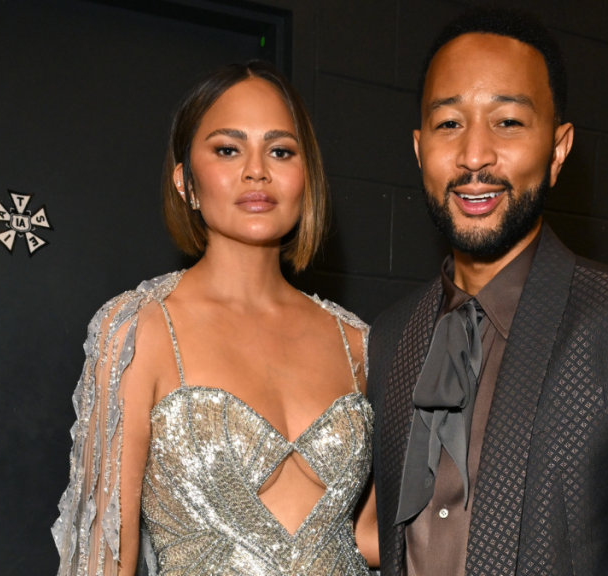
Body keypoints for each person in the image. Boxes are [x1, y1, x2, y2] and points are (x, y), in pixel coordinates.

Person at [366, 7, 608, 576]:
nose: (475, 155)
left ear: (558, 151)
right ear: (418, 150)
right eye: (449, 123)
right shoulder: (390, 336)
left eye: (507, 122)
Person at [51, 61, 379, 576]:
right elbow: (104, 553)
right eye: (228, 149)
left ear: (305, 178)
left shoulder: (357, 341)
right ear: (186, 182)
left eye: (280, 151)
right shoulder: (139, 328)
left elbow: (371, 537)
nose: (257, 171)